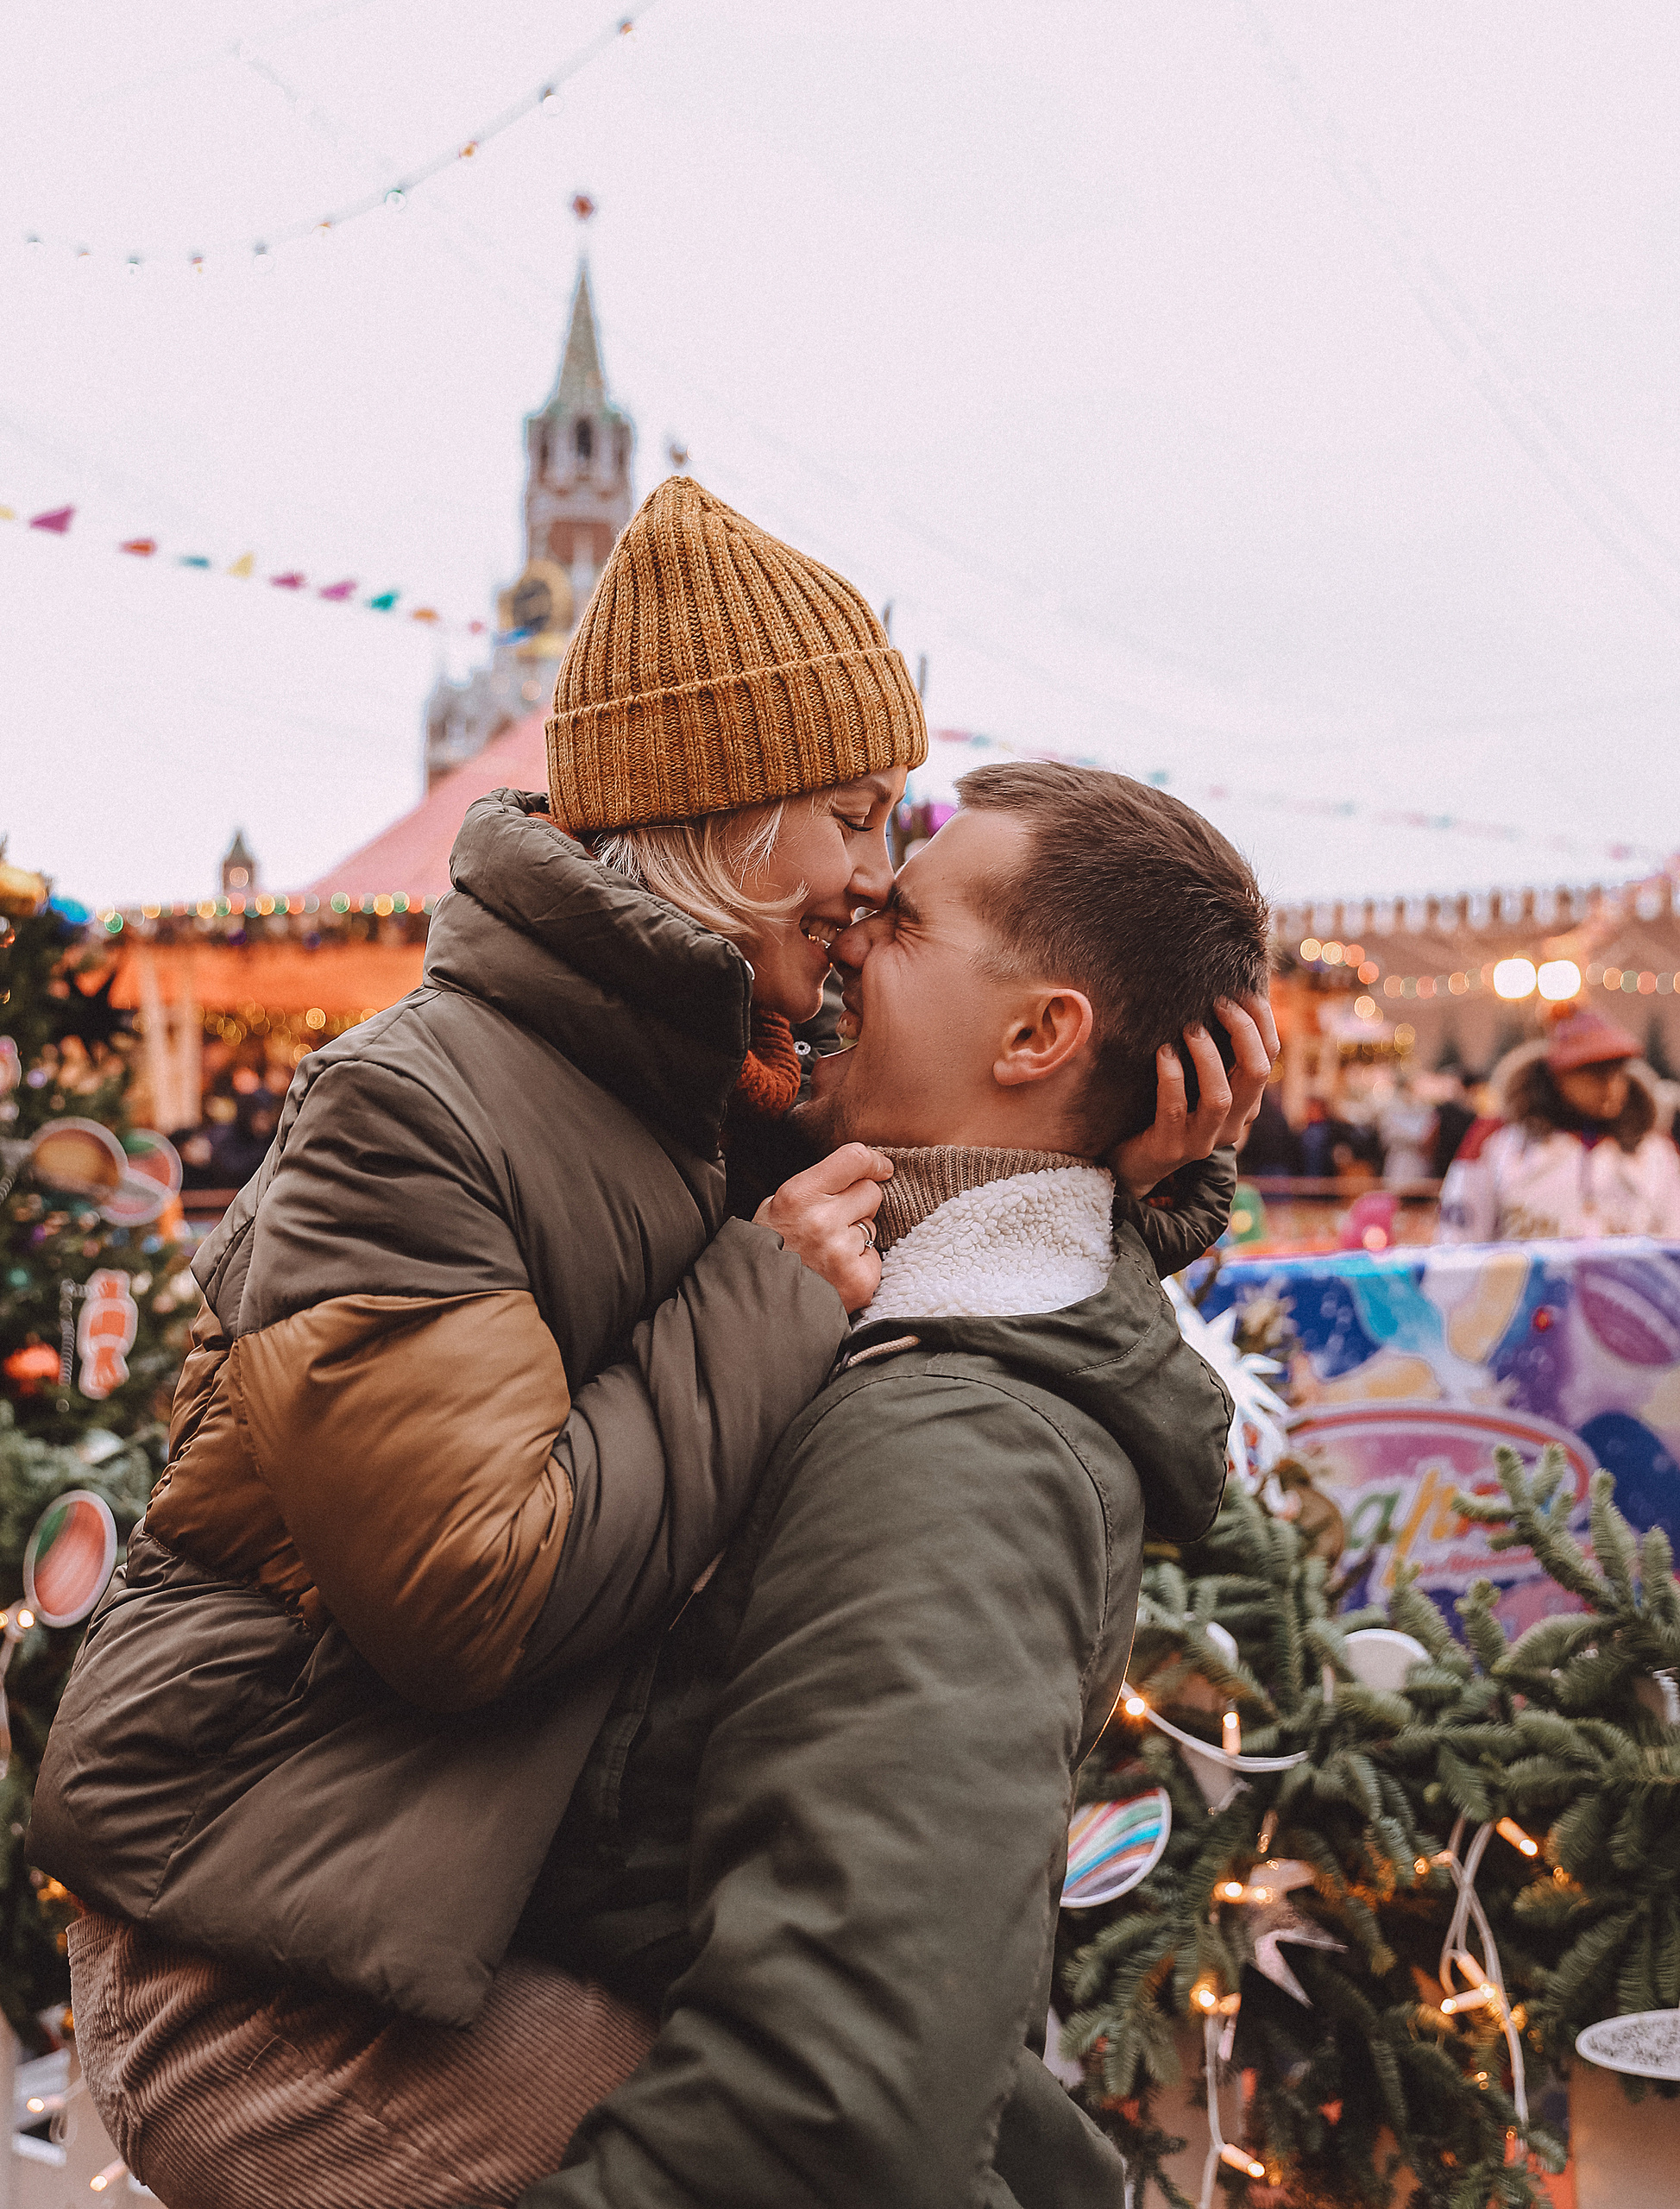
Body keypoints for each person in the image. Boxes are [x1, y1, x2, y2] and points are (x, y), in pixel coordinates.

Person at [57, 764, 1275, 2208]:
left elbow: (836, 2095)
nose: (861, 908)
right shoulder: (875, 1263)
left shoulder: (960, 1447)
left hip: (352, 1979)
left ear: (1035, 1032)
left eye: (912, 913)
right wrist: (1116, 1175)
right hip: (348, 1936)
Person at [34, 475, 931, 2031]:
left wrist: (1146, 1148)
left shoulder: (722, 1090)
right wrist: (766, 1293)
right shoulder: (408, 1104)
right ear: (725, 814)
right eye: (853, 819)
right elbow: (468, 1591)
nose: (881, 878)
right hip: (259, 1916)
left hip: (465, 1887)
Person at [1437, 1004, 1680, 1243]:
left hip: (1629, 1284)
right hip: (1523, 1283)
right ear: (1558, 1074)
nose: (1611, 1087)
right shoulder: (1497, 1142)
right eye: (1594, 1073)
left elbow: (1673, 1240)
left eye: (1618, 1072)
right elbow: (1457, 1242)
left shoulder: (1655, 1149)